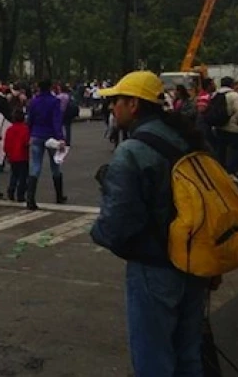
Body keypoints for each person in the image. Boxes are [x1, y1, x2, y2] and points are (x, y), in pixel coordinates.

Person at [90, 71, 210, 376]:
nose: (112, 108)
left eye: (116, 100)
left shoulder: (132, 151)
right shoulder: (185, 137)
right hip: (194, 261)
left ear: (133, 104)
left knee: (154, 358)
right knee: (189, 353)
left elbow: (116, 225)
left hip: (154, 266)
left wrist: (98, 231)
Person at [26, 79, 67, 207]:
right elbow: (56, 121)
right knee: (55, 166)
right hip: (51, 137)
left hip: (37, 134)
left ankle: (30, 198)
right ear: (50, 87)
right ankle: (59, 195)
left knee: (35, 166)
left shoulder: (34, 101)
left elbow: (30, 119)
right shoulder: (55, 101)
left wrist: (30, 134)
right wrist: (60, 137)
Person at [3, 108, 30, 203]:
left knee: (14, 175)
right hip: (23, 156)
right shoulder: (25, 129)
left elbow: (6, 143)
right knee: (23, 177)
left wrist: (7, 153)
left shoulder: (9, 129)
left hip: (12, 156)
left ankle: (11, 190)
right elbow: (26, 143)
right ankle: (20, 194)